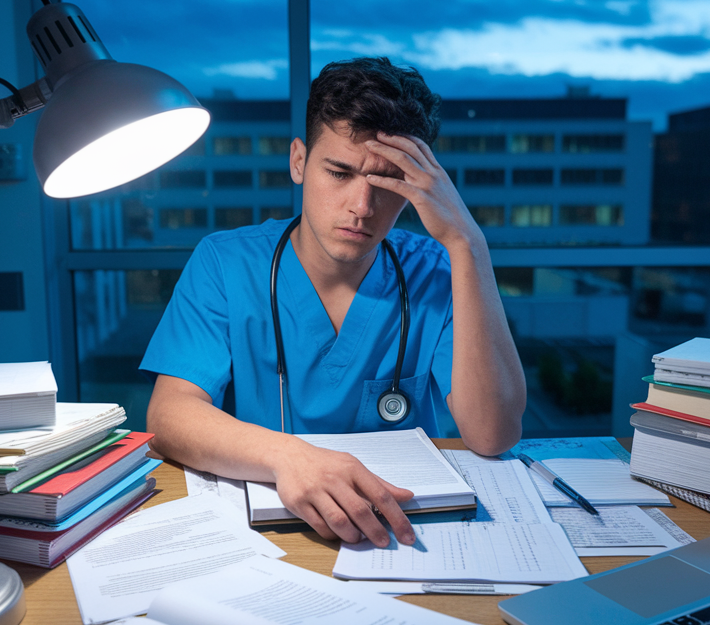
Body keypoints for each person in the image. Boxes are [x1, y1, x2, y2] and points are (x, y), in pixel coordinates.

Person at [141, 57, 525, 548]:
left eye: (387, 184)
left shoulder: (440, 269)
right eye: (339, 172)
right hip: (268, 530)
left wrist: (467, 242)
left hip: (405, 531)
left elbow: (493, 434)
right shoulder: (225, 261)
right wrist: (291, 457)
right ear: (298, 161)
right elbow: (169, 416)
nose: (361, 208)